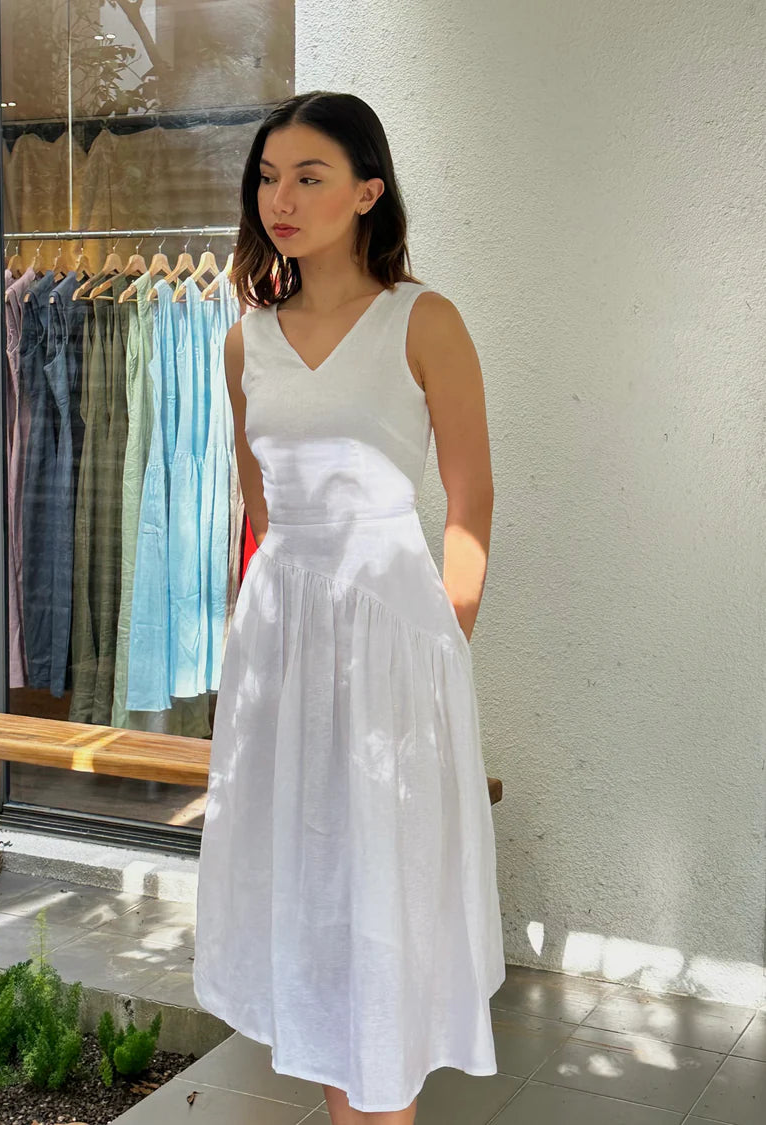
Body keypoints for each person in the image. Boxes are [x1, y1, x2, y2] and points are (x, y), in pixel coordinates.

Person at [192, 90, 506, 1125]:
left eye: (309, 177)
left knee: (382, 885)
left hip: (393, 642)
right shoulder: (245, 342)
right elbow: (260, 507)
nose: (280, 199)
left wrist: (442, 638)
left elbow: (470, 497)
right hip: (282, 644)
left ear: (368, 191)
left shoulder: (425, 321)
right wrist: (264, 639)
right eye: (266, 178)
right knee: (313, 883)